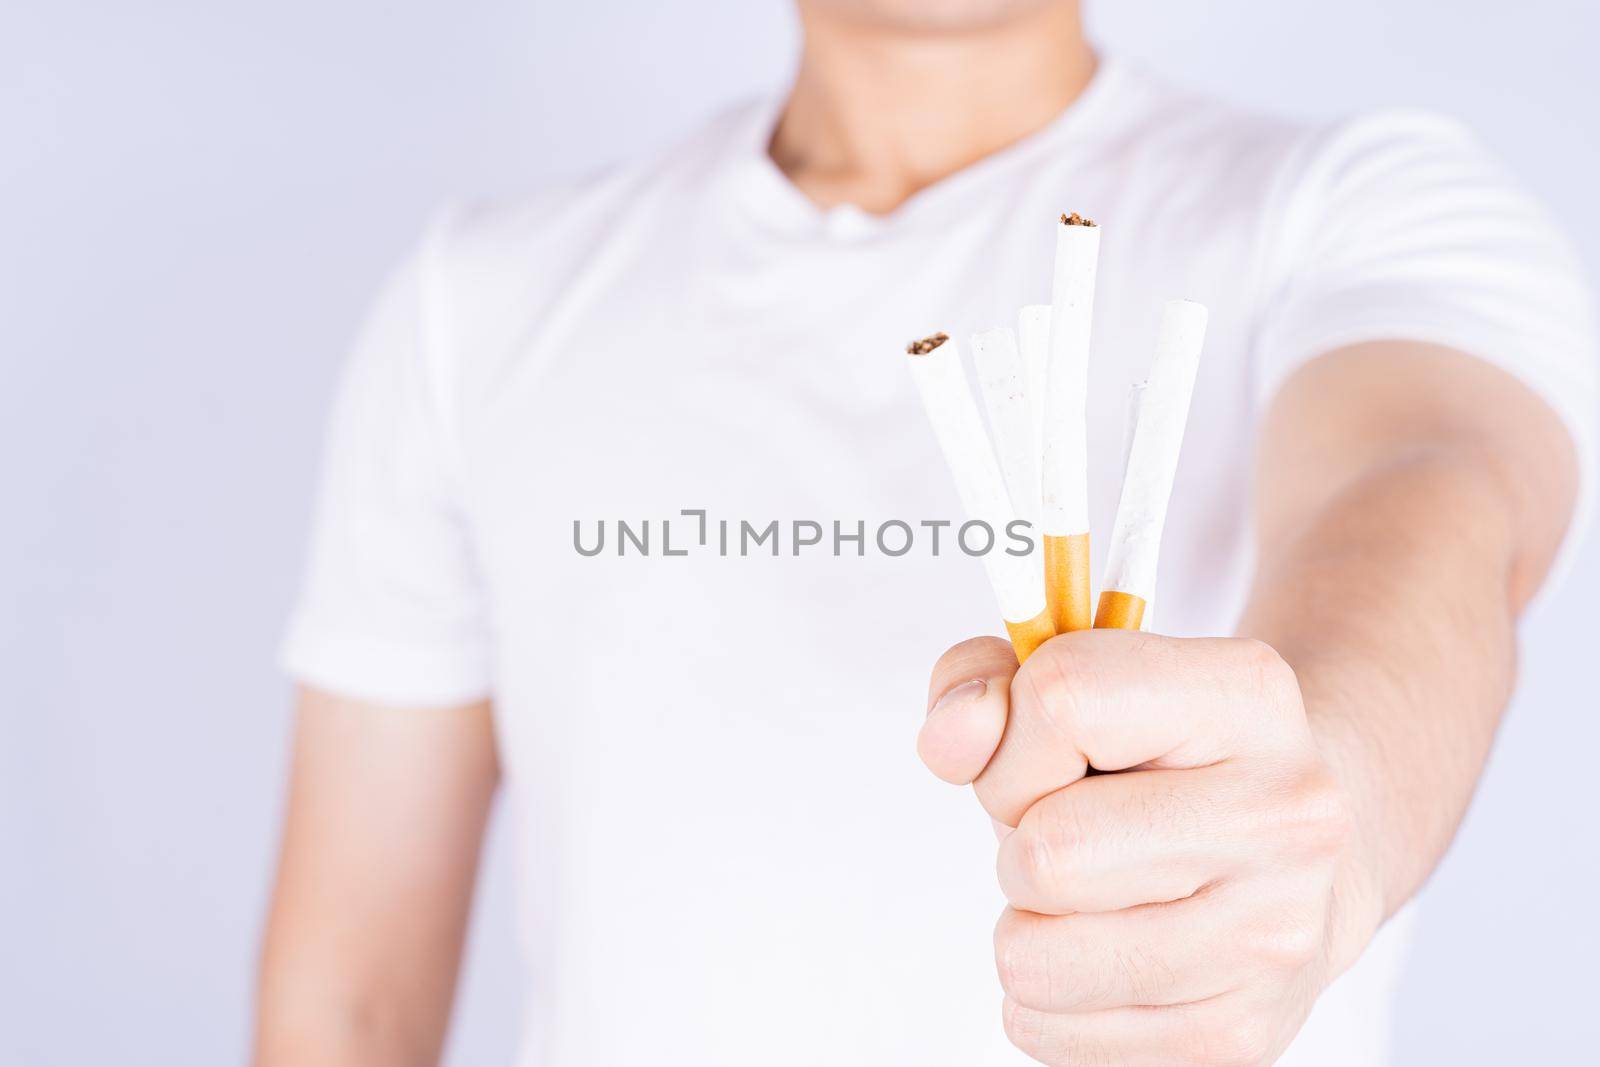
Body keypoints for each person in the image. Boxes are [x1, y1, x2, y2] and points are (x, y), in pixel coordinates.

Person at [253, 1, 1594, 1064]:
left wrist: (1335, 815)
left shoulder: (1357, 205)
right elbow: (346, 1011)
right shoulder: (476, 299)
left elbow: (1435, 499)